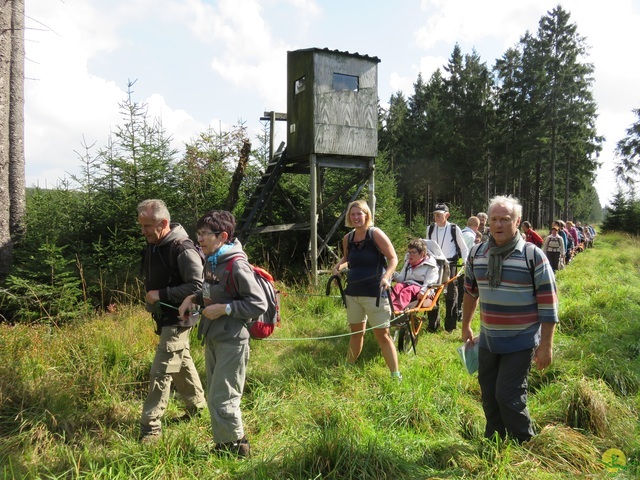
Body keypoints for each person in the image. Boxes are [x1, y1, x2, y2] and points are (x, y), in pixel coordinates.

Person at [461, 195, 558, 443]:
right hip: (489, 340)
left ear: (517, 221)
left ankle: (525, 443)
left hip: (521, 340)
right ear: (487, 223)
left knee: (508, 394)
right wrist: (466, 326)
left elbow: (548, 304)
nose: (498, 224)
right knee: (489, 394)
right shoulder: (477, 254)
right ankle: (495, 439)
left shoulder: (533, 256)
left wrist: (546, 345)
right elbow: (471, 292)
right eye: (494, 219)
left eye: (505, 219)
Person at [178, 210, 267, 457]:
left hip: (232, 340)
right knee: (215, 394)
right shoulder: (212, 259)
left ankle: (237, 449)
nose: (200, 240)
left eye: (205, 234)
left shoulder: (236, 264)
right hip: (213, 337)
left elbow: (258, 304)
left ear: (223, 235)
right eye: (199, 234)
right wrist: (192, 298)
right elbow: (211, 293)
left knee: (223, 397)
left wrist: (225, 309)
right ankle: (223, 444)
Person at [137, 199, 206, 443]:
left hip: (181, 316)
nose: (143, 231)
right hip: (166, 315)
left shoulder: (182, 248)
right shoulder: (155, 243)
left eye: (148, 226)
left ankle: (151, 426)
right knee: (181, 361)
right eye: (141, 225)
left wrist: (161, 295)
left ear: (163, 223)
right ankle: (198, 408)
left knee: (161, 370)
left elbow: (197, 286)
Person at [332, 199, 401, 380]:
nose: (356, 217)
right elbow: (347, 259)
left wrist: (386, 277)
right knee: (356, 333)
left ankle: (395, 375)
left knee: (383, 336)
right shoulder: (348, 238)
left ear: (366, 215)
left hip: (375, 293)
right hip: (353, 293)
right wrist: (337, 267)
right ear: (349, 217)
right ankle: (348, 369)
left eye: (359, 214)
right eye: (353, 214)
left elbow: (393, 258)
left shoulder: (375, 234)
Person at [426, 203, 469, 332]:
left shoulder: (454, 229)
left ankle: (450, 326)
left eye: (439, 214)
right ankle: (433, 325)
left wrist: (465, 262)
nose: (436, 217)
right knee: (433, 293)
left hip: (450, 264)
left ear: (447, 215)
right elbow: (428, 246)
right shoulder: (430, 229)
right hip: (434, 264)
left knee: (451, 294)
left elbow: (464, 248)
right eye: (435, 215)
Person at [390, 238, 439, 313]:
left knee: (409, 290)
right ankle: (387, 307)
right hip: (407, 284)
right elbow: (402, 279)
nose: (410, 255)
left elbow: (429, 282)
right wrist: (392, 273)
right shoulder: (408, 263)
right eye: (409, 252)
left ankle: (395, 311)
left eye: (413, 252)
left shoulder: (431, 266)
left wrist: (423, 292)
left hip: (421, 289)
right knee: (398, 286)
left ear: (422, 253)